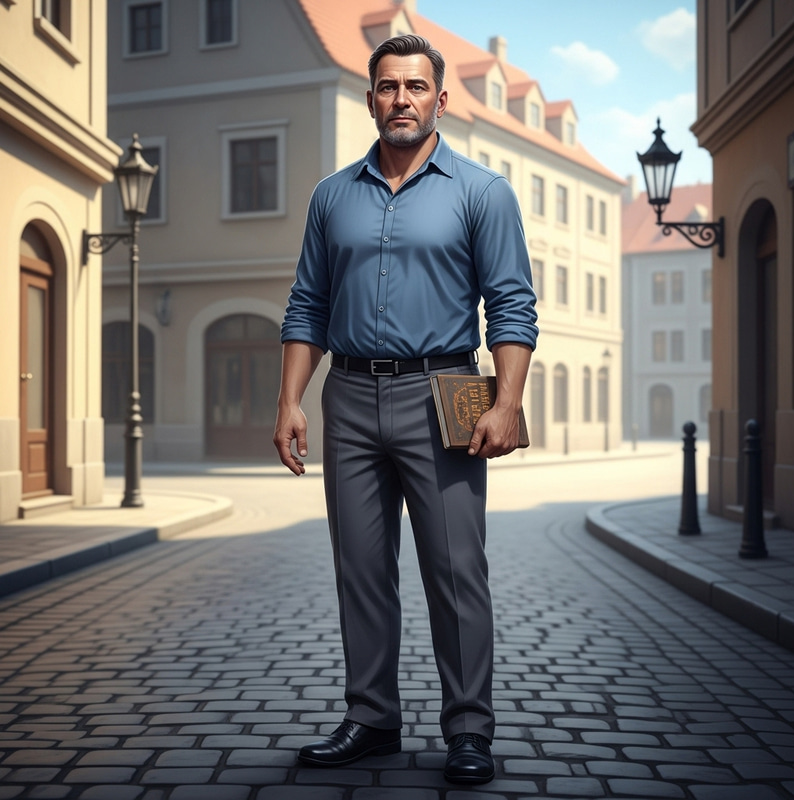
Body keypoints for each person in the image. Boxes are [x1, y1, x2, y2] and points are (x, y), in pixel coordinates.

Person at [274, 33, 538, 785]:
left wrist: (507, 401)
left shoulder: (483, 192)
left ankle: (469, 729)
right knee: (361, 568)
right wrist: (291, 398)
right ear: (371, 100)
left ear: (440, 100)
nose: (401, 100)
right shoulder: (332, 196)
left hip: (447, 387)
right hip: (349, 395)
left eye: (415, 88)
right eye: (388, 87)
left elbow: (511, 306)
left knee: (456, 570)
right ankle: (372, 718)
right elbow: (308, 303)